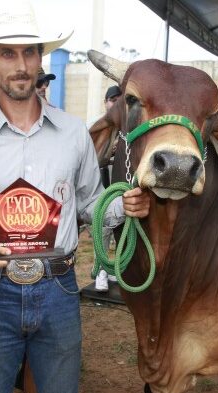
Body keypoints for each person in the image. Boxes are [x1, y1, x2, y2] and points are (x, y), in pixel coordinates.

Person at [0, 2, 150, 393]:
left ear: (40, 59)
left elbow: (90, 204)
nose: (20, 65)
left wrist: (123, 205)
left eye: (29, 53)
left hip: (57, 290)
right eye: (7, 53)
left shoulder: (74, 133)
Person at [93, 85, 122, 292]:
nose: (115, 104)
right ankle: (100, 271)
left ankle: (114, 269)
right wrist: (110, 151)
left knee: (121, 233)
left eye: (119, 100)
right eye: (112, 100)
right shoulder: (98, 127)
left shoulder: (128, 128)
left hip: (121, 190)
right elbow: (91, 158)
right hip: (102, 189)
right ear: (105, 102)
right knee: (103, 231)